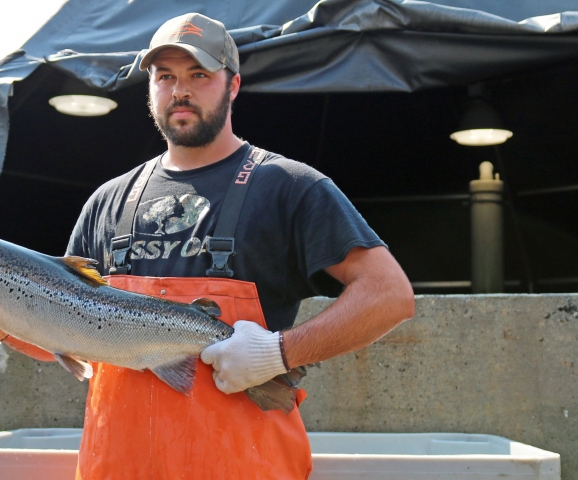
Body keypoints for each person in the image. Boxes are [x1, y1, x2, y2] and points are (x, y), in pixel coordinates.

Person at [2, 12, 415, 480]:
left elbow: (389, 295)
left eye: (199, 74)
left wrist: (279, 354)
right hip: (116, 465)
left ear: (233, 85)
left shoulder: (290, 186)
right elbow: (65, 336)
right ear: (150, 88)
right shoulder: (108, 200)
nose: (180, 90)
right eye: (165, 77)